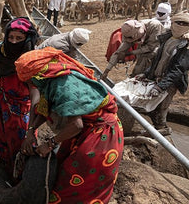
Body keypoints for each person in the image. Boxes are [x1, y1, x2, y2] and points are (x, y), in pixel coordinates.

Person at [15, 46, 123, 204]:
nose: (31, 85)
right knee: (63, 171)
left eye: (29, 80)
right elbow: (44, 109)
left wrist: (49, 144)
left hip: (100, 136)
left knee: (76, 183)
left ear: (37, 75)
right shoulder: (51, 78)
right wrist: (31, 131)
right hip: (85, 131)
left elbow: (76, 125)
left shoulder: (63, 85)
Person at [0, 17, 40, 182]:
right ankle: (7, 180)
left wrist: (31, 128)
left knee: (24, 146)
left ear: (27, 40)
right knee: (2, 143)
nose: (13, 41)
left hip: (24, 111)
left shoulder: (32, 59)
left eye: (19, 38)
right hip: (2, 105)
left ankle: (22, 184)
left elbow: (35, 93)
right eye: (11, 37)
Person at [137, 12, 189, 129]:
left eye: (184, 24)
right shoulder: (168, 38)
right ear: (172, 23)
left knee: (162, 109)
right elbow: (157, 60)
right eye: (178, 23)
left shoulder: (186, 45)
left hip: (170, 83)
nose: (180, 25)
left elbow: (178, 69)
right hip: (157, 78)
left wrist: (161, 86)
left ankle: (162, 135)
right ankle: (154, 130)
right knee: (152, 106)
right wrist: (146, 74)